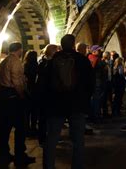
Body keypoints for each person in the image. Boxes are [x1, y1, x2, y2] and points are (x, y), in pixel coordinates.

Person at [43, 34, 94, 169]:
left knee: (52, 139)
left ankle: (48, 166)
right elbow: (90, 83)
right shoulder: (82, 60)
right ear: (73, 45)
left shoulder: (53, 60)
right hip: (77, 104)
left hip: (56, 104)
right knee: (78, 140)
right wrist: (85, 99)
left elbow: (45, 83)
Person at [0, 42, 35, 166]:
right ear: (19, 50)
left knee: (4, 127)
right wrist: (22, 95)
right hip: (13, 97)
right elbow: (17, 81)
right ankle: (20, 155)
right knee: (20, 127)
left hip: (3, 96)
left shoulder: (4, 61)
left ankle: (3, 154)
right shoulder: (15, 61)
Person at [36, 44, 59, 146]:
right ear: (53, 51)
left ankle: (45, 138)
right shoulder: (49, 63)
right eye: (57, 50)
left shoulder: (42, 61)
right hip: (48, 93)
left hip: (43, 93)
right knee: (46, 118)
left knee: (44, 117)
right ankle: (45, 139)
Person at [23, 50, 38, 136]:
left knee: (27, 112)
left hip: (27, 90)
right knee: (34, 111)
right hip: (34, 90)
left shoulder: (25, 65)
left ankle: (26, 129)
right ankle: (33, 128)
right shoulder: (36, 65)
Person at [101, 51, 113, 117]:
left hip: (109, 81)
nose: (110, 57)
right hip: (105, 82)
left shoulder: (109, 62)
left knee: (108, 97)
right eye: (109, 55)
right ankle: (104, 112)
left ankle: (107, 112)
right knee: (104, 98)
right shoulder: (102, 62)